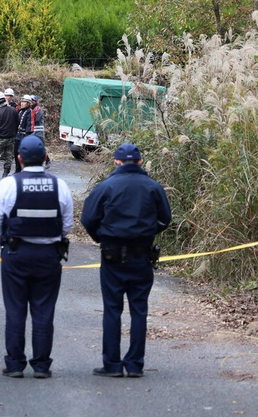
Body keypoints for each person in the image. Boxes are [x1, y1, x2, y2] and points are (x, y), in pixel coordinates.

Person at [80, 143, 172, 379]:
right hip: (142, 255)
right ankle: (134, 364)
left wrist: (101, 237)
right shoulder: (153, 187)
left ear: (116, 162)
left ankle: (111, 364)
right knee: (139, 310)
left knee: (112, 309)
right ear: (140, 162)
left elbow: (88, 218)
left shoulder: (106, 186)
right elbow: (165, 219)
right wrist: (148, 231)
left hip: (112, 256)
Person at [0, 136, 73, 379]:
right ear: (46, 157)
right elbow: (66, 225)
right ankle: (42, 365)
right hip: (48, 255)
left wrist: (6, 244)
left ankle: (15, 364)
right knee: (44, 311)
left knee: (15, 310)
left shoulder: (8, 185)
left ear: (19, 158)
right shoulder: (60, 186)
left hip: (16, 254)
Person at [29, 96, 51, 169]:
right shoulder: (30, 109)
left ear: (35, 101)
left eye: (33, 100)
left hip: (38, 131)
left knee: (40, 147)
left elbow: (36, 119)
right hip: (32, 130)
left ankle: (47, 160)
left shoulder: (38, 109)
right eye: (30, 100)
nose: (31, 102)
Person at [14, 95, 33, 173]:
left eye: (24, 102)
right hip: (17, 135)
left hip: (25, 135)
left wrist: (27, 136)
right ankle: (17, 170)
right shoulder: (20, 111)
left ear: (28, 103)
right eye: (22, 101)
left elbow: (30, 125)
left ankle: (25, 170)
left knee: (23, 154)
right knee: (16, 153)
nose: (22, 103)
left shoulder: (29, 112)